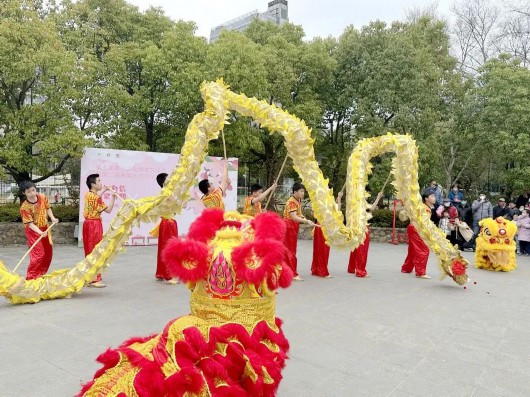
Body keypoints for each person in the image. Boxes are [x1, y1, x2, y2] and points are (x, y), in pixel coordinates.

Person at [19, 181, 59, 280]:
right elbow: (30, 224)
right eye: (29, 192)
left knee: (48, 253)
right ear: (24, 193)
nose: (32, 193)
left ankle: (41, 274)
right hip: (33, 231)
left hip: (45, 227)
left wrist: (52, 218)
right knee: (38, 254)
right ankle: (31, 277)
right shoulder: (24, 207)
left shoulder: (42, 197)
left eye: (33, 190)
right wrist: (39, 232)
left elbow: (48, 208)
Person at [83, 174, 116, 288]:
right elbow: (108, 210)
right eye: (99, 181)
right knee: (96, 250)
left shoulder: (88, 194)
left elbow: (96, 198)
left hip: (87, 224)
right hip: (94, 225)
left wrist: (104, 190)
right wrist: (113, 197)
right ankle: (94, 279)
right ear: (93, 184)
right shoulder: (96, 198)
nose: (101, 182)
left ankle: (90, 276)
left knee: (90, 250)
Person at [283, 182, 318, 281]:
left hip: (293, 226)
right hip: (289, 226)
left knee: (291, 249)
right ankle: (292, 273)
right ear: (295, 192)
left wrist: (306, 219)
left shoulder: (298, 200)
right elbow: (294, 217)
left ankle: (287, 272)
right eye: (301, 191)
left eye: (303, 191)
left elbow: (299, 214)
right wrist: (306, 221)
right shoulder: (292, 202)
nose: (303, 193)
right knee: (290, 250)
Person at [347, 190, 384, 278]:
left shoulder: (356, 202)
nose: (368, 195)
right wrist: (378, 197)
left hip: (356, 227)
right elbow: (372, 208)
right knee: (362, 249)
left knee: (355, 247)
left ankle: (352, 268)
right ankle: (360, 270)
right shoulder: (361, 202)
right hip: (362, 227)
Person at [401, 190, 436, 279]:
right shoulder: (425, 208)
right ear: (426, 198)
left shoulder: (424, 206)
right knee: (424, 250)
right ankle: (420, 272)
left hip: (413, 228)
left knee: (413, 249)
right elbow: (425, 223)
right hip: (417, 229)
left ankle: (406, 268)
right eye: (432, 196)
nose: (434, 198)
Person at [152, 173, 179, 284]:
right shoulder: (167, 193)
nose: (171, 179)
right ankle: (169, 275)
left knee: (164, 247)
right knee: (170, 248)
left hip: (166, 222)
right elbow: (177, 203)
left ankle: (162, 272)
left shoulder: (164, 192)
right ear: (164, 181)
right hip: (168, 223)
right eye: (168, 178)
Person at [311, 185, 341, 278]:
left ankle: (316, 269)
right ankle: (322, 270)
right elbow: (337, 211)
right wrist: (338, 199)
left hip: (319, 226)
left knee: (318, 249)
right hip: (324, 227)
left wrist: (338, 199)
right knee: (323, 250)